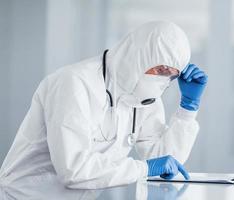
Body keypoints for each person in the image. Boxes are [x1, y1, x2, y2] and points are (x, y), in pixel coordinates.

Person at [0, 21, 208, 189]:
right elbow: (73, 169)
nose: (164, 82)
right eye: (161, 70)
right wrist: (143, 168)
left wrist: (188, 108)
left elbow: (164, 162)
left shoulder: (144, 96)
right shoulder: (74, 83)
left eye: (172, 76)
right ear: (138, 56)